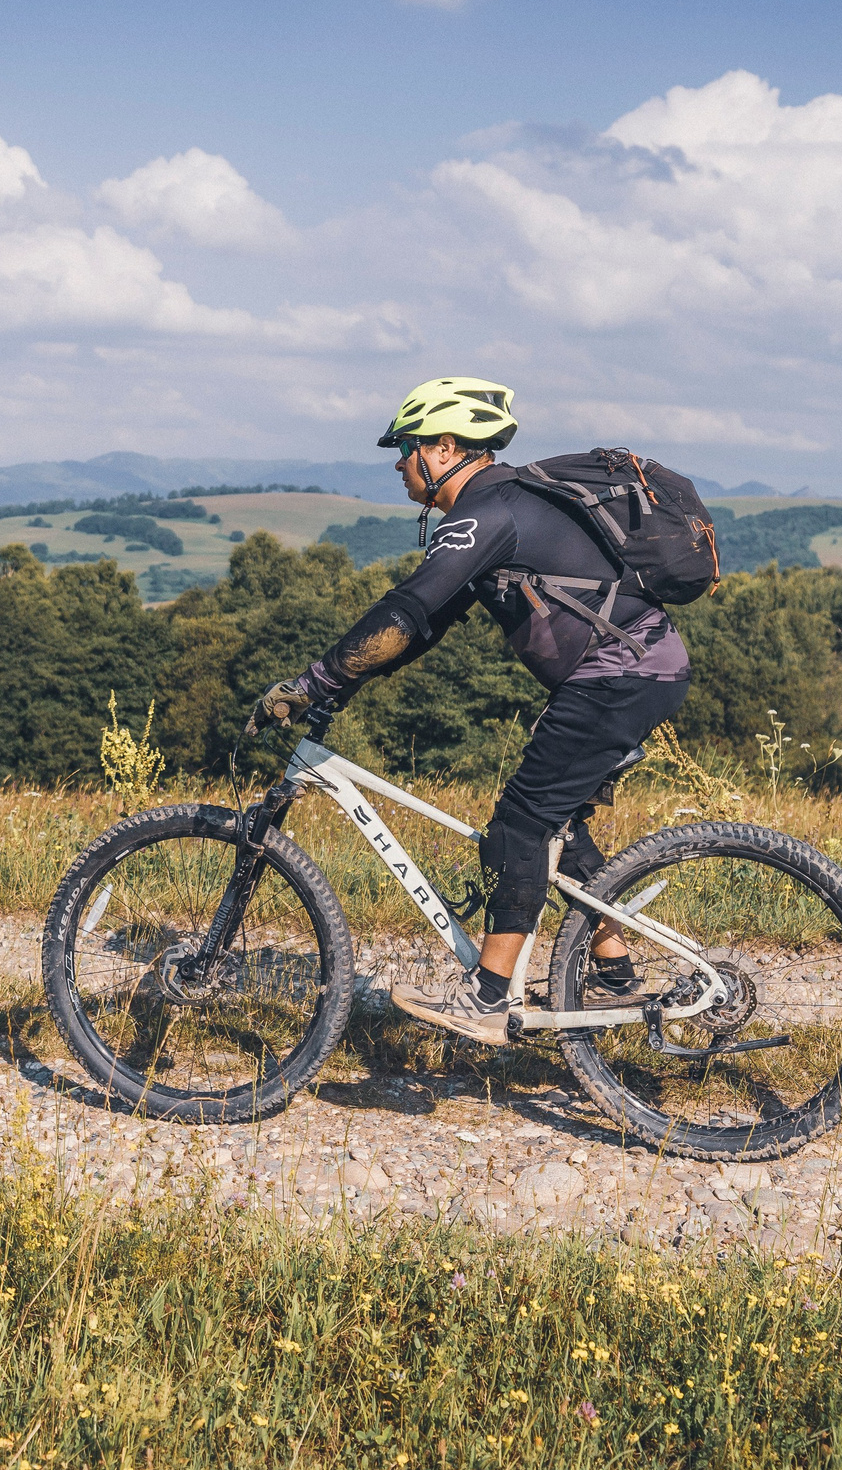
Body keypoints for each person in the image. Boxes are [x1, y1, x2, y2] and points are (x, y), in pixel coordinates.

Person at [246, 377, 693, 1042]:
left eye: (406, 446)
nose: (399, 462)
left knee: (517, 825)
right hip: (635, 671)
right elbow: (422, 628)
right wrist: (340, 685)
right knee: (556, 825)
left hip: (619, 676)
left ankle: (485, 999)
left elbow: (404, 609)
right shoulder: (500, 506)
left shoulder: (487, 514)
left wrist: (312, 680)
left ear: (447, 446)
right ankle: (615, 974)